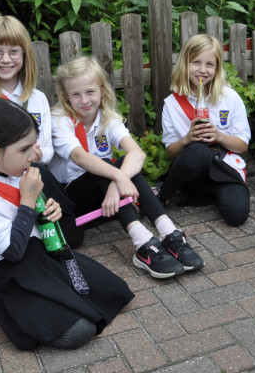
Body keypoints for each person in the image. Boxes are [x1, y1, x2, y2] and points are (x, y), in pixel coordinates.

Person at [0, 98, 134, 350]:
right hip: (12, 275)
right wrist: (29, 202)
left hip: (39, 255)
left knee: (116, 292)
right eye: (24, 149)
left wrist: (50, 210)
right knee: (79, 331)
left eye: (33, 145)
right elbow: (13, 251)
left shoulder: (8, 167)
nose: (34, 155)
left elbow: (30, 216)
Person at [48, 57, 203, 279]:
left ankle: (170, 234)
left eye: (90, 92)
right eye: (76, 94)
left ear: (102, 90)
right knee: (107, 167)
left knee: (122, 167)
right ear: (65, 96)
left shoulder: (107, 118)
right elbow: (80, 157)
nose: (84, 100)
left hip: (104, 197)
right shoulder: (60, 119)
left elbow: (138, 153)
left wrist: (116, 182)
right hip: (70, 199)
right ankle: (143, 246)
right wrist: (118, 178)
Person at [158, 34, 251, 226]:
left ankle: (208, 195)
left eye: (210, 64)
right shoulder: (172, 104)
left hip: (223, 168)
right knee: (199, 151)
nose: (202, 70)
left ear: (217, 69)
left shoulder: (230, 98)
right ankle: (162, 196)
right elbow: (170, 151)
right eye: (196, 62)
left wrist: (218, 135)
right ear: (184, 64)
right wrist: (187, 139)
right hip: (193, 171)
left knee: (237, 215)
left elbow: (242, 145)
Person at [0, 15, 53, 163]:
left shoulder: (37, 98)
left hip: (33, 173)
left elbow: (48, 148)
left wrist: (39, 154)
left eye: (14, 52)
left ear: (25, 55)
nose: (5, 59)